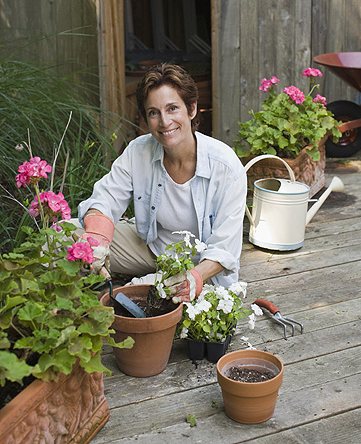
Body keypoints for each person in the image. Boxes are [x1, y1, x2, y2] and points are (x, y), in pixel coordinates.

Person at [77, 63, 247, 303]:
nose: (165, 121)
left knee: (133, 299)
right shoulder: (139, 151)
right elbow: (106, 198)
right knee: (61, 241)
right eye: (154, 112)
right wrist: (96, 239)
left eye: (173, 108)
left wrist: (193, 279)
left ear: (192, 109)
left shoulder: (226, 168)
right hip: (151, 247)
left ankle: (134, 291)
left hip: (198, 266)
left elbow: (225, 248)